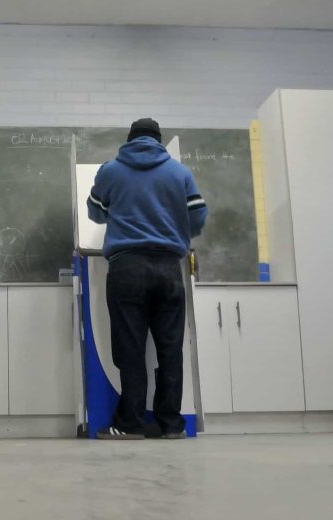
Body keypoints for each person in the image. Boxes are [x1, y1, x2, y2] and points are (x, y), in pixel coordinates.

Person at [87, 118, 208, 440]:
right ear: (159, 141)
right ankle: (171, 425)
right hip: (170, 267)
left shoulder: (110, 170)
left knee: (130, 349)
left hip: (127, 267)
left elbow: (95, 212)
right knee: (170, 349)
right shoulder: (179, 172)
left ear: (130, 140)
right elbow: (198, 216)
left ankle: (130, 424)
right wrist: (178, 229)